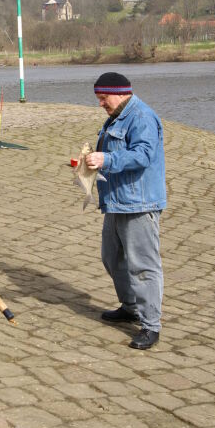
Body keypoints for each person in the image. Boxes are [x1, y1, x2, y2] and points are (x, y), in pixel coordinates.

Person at [85, 72, 166, 349]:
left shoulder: (142, 117)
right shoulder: (117, 117)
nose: (101, 104)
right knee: (111, 257)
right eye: (98, 99)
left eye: (103, 98)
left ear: (120, 93)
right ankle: (130, 306)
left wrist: (106, 159)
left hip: (140, 204)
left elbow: (143, 155)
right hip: (117, 202)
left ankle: (150, 326)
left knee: (143, 266)